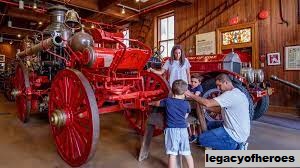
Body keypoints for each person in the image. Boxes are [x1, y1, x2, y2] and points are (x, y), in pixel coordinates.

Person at [185, 73, 250, 150]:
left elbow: (208, 103)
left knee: (202, 139)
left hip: (234, 134)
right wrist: (205, 108)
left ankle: (236, 146)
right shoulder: (236, 92)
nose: (218, 88)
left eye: (219, 85)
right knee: (209, 125)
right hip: (237, 129)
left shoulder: (231, 95)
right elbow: (220, 110)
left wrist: (190, 95)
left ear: (226, 82)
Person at [150, 79, 194, 168]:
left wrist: (151, 102)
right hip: (183, 130)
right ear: (185, 92)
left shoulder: (167, 101)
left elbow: (157, 103)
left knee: (172, 154)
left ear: (172, 91)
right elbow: (186, 114)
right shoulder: (186, 104)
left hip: (171, 130)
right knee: (187, 153)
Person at [187, 75, 203, 143]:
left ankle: (200, 137)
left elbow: (194, 96)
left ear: (199, 83)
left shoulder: (199, 88)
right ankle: (191, 135)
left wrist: (188, 94)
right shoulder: (188, 86)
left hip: (198, 107)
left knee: (198, 121)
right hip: (190, 105)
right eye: (192, 81)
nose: (193, 83)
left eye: (195, 82)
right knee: (189, 121)